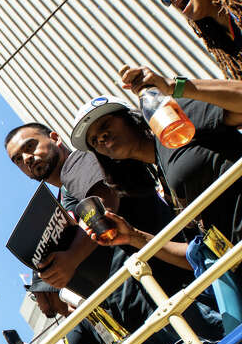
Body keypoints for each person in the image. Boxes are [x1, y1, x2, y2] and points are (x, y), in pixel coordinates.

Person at [73, 67, 242, 249]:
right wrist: (134, 237)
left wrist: (174, 86)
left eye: (105, 124)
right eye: (93, 140)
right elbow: (197, 256)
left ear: (129, 117)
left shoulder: (175, 120)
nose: (101, 137)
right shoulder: (162, 185)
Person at [4, 122, 115, 289]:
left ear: (55, 138)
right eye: (18, 159)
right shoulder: (61, 200)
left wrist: (72, 257)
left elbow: (105, 203)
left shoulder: (78, 162)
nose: (26, 158)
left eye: (30, 146)